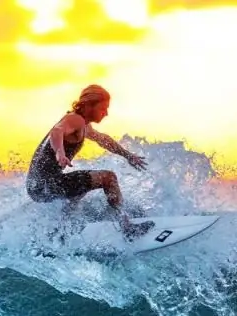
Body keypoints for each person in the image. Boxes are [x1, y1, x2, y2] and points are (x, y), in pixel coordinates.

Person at [25, 84, 154, 239]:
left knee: (80, 188)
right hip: (46, 184)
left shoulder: (83, 125)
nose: (106, 113)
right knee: (108, 178)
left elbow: (103, 140)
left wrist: (128, 155)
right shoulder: (75, 119)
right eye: (103, 108)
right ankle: (126, 227)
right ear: (89, 105)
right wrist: (60, 152)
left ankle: (59, 234)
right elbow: (57, 131)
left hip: (37, 186)